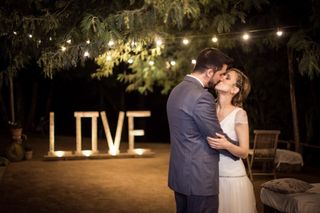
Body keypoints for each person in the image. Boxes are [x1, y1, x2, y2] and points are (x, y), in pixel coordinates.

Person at [166, 48, 238, 213]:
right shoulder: (201, 96)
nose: (221, 78)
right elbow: (215, 136)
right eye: (221, 74)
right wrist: (238, 149)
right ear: (209, 72)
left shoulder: (176, 90)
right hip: (200, 179)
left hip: (180, 177)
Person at [207, 68, 257, 213]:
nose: (221, 78)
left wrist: (226, 144)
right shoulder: (208, 109)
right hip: (210, 179)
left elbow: (244, 152)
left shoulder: (239, 114)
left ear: (234, 90)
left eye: (227, 78)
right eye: (222, 75)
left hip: (232, 180)